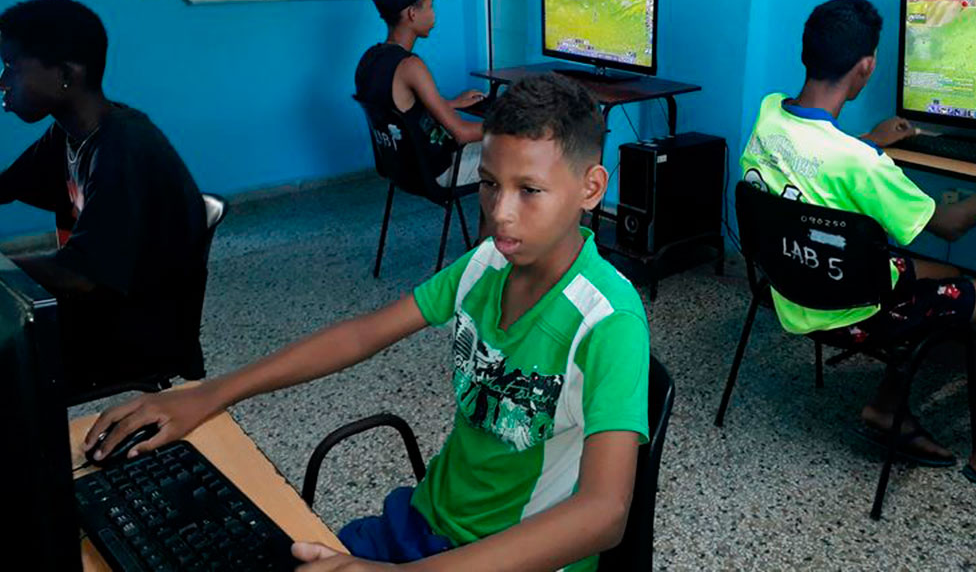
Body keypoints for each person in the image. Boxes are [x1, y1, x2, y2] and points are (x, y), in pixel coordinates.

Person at [85, 73, 652, 570]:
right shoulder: (487, 265)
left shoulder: (608, 321)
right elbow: (362, 334)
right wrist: (210, 394)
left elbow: (603, 514)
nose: (499, 211)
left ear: (590, 189)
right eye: (488, 183)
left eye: (529, 191)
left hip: (507, 557)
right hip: (424, 523)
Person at [740, 0, 976, 495]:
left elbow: (818, 159)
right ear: (867, 66)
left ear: (806, 53)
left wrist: (870, 140)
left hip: (790, 285)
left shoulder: (771, 113)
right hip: (853, 311)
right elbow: (951, 225)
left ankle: (886, 406)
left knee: (942, 276)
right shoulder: (861, 165)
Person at [0, 0, 206, 398]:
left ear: (64, 75)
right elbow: (5, 186)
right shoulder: (69, 133)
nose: (2, 80)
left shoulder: (124, 145)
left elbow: (79, 276)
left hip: (130, 334)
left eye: (11, 66)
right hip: (99, 313)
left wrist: (2, 269)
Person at [355, 0, 486, 188]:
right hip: (438, 172)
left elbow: (402, 112)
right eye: (430, 6)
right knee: (515, 148)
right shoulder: (411, 66)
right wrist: (511, 124)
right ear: (411, 14)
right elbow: (462, 133)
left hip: (402, 170)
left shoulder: (369, 59)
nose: (434, 14)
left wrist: (450, 104)